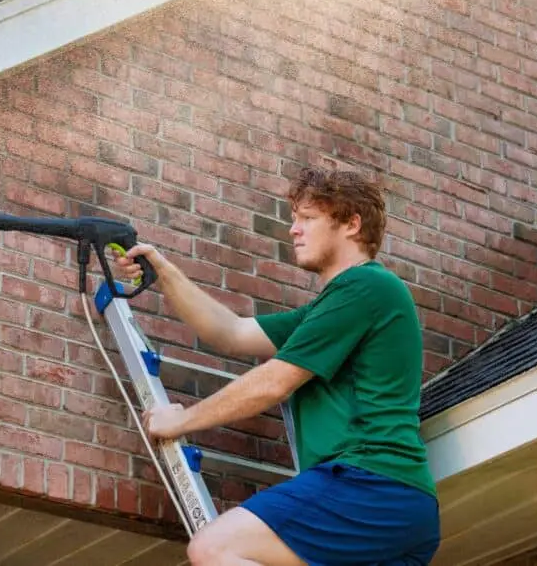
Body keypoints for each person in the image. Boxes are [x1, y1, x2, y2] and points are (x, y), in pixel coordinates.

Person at [114, 166, 440, 566]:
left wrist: (182, 420)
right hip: (396, 504)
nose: (293, 229)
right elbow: (231, 332)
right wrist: (164, 273)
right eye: (294, 219)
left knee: (214, 547)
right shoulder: (327, 312)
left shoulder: (366, 287)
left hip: (371, 482)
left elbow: (274, 382)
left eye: (308, 218)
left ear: (352, 225)